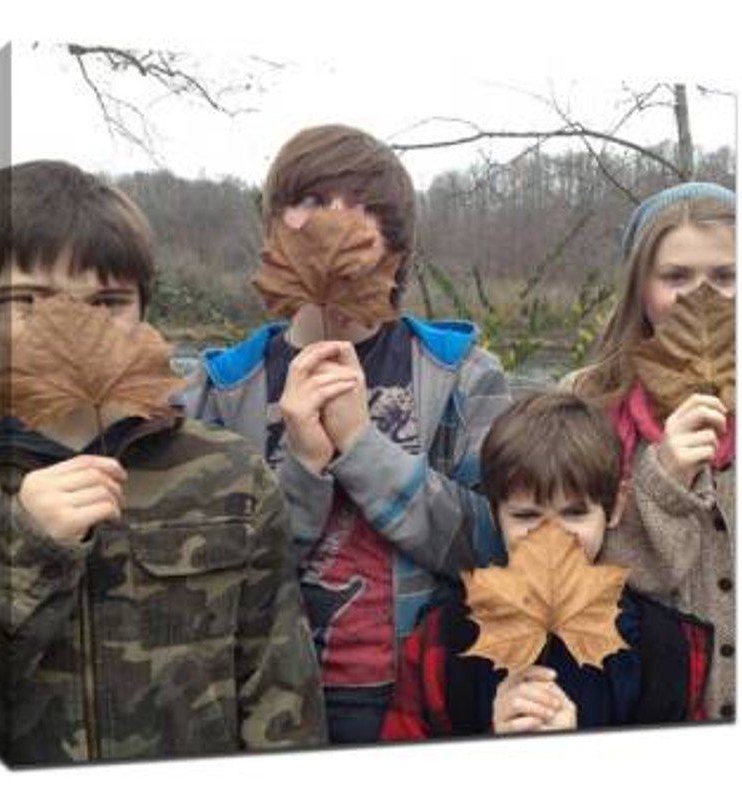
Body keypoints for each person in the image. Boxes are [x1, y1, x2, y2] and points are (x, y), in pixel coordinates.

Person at [0, 160, 327, 766]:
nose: (71, 326)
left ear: (143, 312)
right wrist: (25, 550)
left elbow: (279, 693)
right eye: (24, 298)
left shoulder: (229, 475)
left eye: (106, 301)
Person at [186, 124, 511, 743]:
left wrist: (363, 447)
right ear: (274, 234)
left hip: (426, 700)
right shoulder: (218, 392)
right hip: (266, 708)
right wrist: (303, 469)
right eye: (312, 202)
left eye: (362, 209)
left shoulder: (466, 376)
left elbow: (499, 544)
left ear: (398, 247)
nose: (336, 223)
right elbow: (209, 585)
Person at [380, 392, 712, 740]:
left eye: (575, 513)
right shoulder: (445, 640)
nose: (551, 536)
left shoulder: (665, 651)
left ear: (615, 508)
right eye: (527, 516)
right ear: (494, 513)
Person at [566, 182, 735, 722]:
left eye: (725, 276)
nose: (700, 297)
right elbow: (564, 568)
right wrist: (661, 480)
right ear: (640, 286)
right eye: (676, 277)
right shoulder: (583, 404)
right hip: (640, 709)